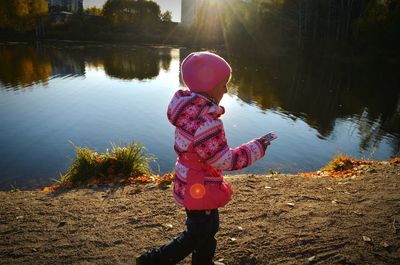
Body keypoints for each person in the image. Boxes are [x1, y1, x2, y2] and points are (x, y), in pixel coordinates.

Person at [136, 51, 272, 265]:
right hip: (200, 185)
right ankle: (155, 260)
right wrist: (256, 147)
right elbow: (225, 160)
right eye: (223, 84)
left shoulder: (187, 112)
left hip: (189, 179)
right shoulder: (207, 123)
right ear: (209, 85)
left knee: (207, 228)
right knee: (198, 233)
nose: (226, 89)